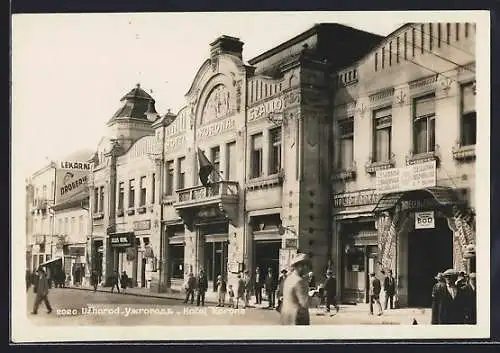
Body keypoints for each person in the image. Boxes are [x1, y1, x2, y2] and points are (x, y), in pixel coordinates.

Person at [280, 253, 311, 325]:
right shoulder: (299, 281)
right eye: (304, 265)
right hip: (298, 318)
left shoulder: (289, 279)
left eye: (307, 265)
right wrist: (316, 297)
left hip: (286, 316)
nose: (306, 268)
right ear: (298, 266)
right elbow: (305, 303)